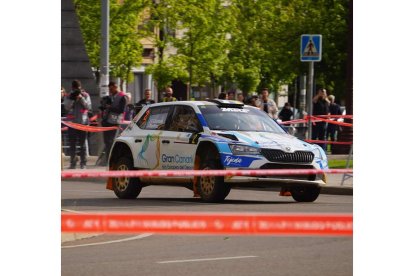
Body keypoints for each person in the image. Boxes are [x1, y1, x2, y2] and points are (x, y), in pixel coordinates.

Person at [63, 80, 92, 169]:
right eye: (75, 89)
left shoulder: (85, 95)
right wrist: (73, 99)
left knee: (82, 144)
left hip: (82, 123)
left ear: (80, 87)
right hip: (72, 123)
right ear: (72, 88)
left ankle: (83, 163)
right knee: (72, 144)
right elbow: (66, 107)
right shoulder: (69, 95)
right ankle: (73, 162)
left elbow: (88, 107)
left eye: (77, 89)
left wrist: (81, 98)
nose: (76, 90)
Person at [101, 81, 127, 164]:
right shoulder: (109, 97)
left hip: (115, 122)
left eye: (111, 89)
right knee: (107, 142)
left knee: (111, 142)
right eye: (109, 89)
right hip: (106, 122)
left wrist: (110, 107)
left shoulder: (122, 97)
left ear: (116, 87)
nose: (110, 91)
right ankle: (108, 160)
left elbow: (121, 110)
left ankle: (113, 160)